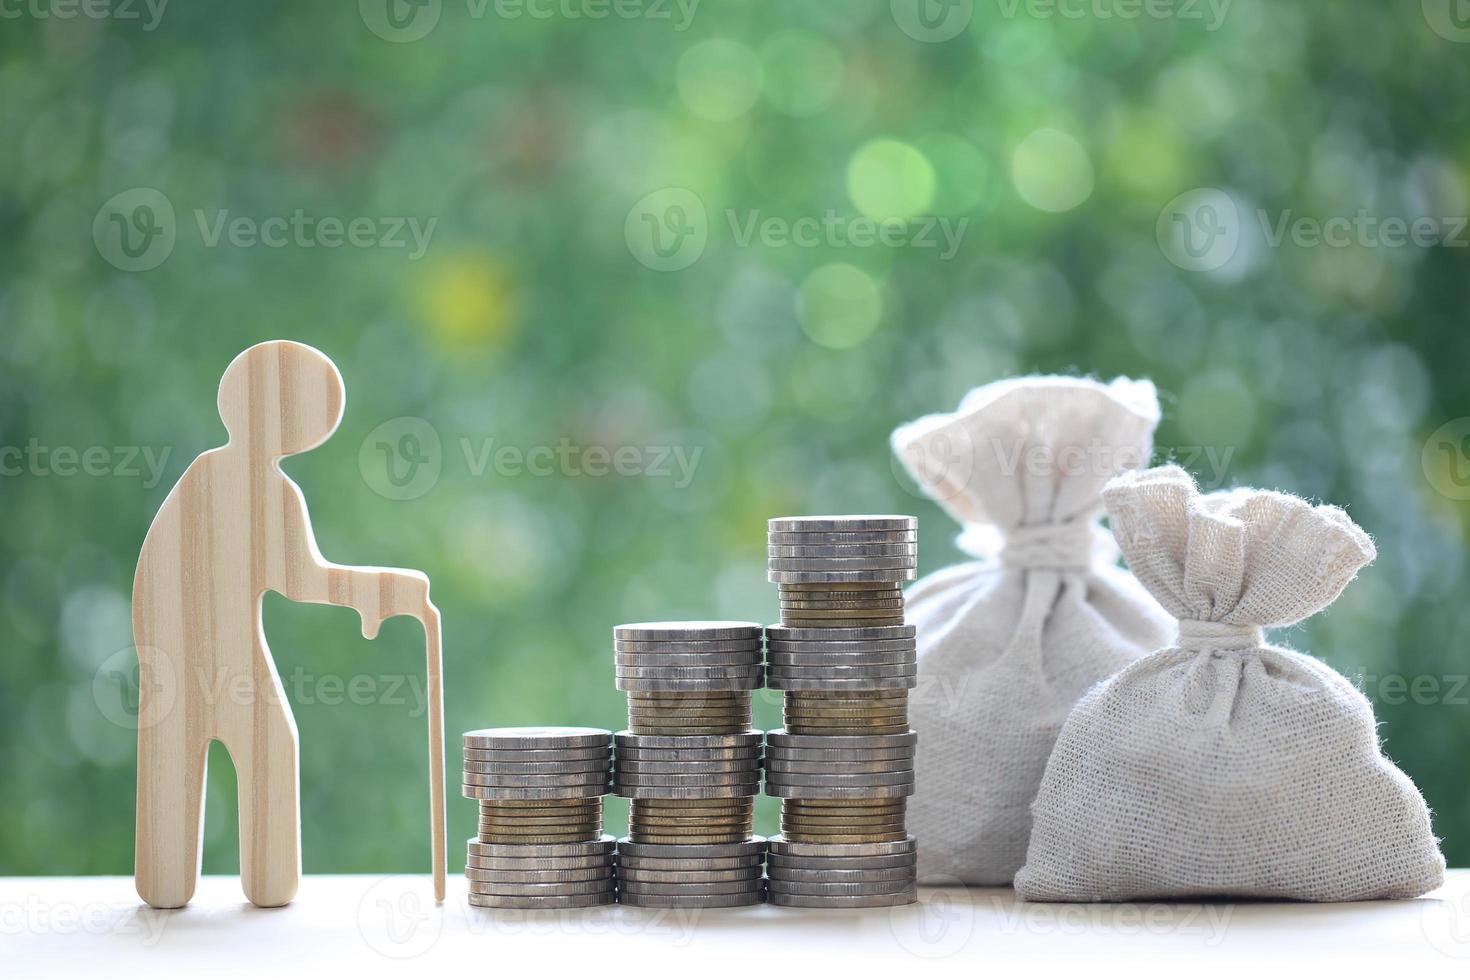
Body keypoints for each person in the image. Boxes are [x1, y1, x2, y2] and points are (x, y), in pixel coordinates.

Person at [133, 340, 438, 909]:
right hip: (198, 654)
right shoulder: (262, 491)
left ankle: (181, 880)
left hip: (184, 653)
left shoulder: (217, 479)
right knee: (267, 744)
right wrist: (381, 591)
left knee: (222, 745)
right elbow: (304, 582)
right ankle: (253, 882)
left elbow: (289, 577)